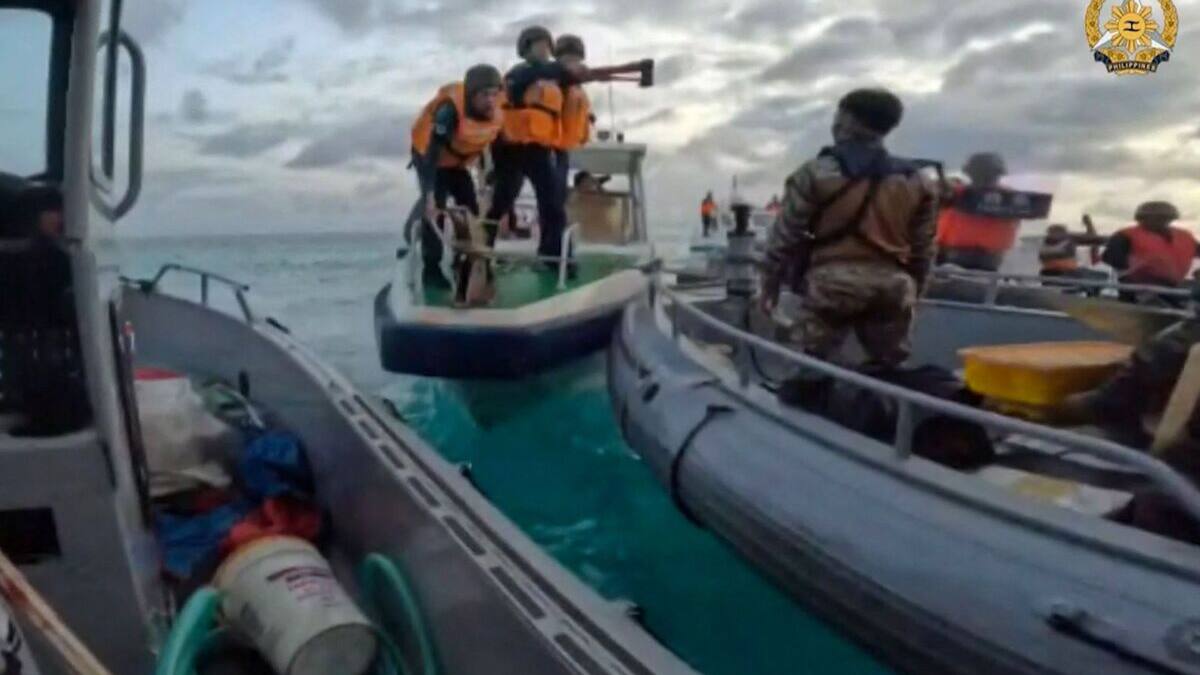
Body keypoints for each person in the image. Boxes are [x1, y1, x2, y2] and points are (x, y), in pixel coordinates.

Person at [760, 87, 937, 370]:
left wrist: (769, 289)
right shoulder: (918, 180)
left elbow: (785, 237)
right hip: (894, 288)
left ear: (848, 120)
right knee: (890, 369)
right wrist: (917, 291)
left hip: (831, 286)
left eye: (839, 116)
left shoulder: (816, 173)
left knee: (813, 367)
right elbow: (924, 249)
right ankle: (884, 412)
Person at [485, 26, 649, 262]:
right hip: (514, 147)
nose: (545, 49)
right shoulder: (521, 74)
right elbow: (534, 77)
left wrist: (586, 77)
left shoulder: (560, 80)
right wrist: (567, 70)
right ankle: (484, 240)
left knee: (553, 200)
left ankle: (553, 256)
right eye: (539, 44)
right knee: (505, 196)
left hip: (549, 147)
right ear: (526, 48)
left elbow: (568, 92)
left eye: (547, 45)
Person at [406, 64, 504, 265]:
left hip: (458, 164)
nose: (490, 101)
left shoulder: (496, 112)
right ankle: (431, 268)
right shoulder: (448, 112)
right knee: (436, 211)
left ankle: (465, 261)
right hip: (431, 160)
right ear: (471, 94)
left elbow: (487, 142)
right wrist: (430, 194)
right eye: (485, 95)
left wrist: (490, 174)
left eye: (494, 94)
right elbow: (431, 153)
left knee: (470, 209)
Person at [935, 152, 1020, 271]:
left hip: (981, 259)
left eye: (988, 174)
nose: (984, 178)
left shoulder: (1009, 198)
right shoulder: (955, 192)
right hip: (950, 255)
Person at [1102, 201, 1198, 297]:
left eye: (1164, 218)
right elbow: (1111, 257)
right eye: (1157, 218)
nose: (1161, 221)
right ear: (1141, 219)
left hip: (1174, 287)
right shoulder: (1125, 235)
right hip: (1138, 288)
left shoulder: (1184, 236)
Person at [551, 34, 594, 196]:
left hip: (564, 147)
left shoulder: (579, 89)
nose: (573, 63)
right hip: (549, 146)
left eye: (576, 59)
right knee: (554, 192)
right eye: (568, 58)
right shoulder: (550, 79)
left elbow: (583, 113)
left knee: (560, 192)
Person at [1038, 217, 1106, 279]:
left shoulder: (1044, 242)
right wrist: (1089, 223)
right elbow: (1094, 239)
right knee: (1102, 276)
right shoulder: (1068, 238)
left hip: (1046, 274)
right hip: (1067, 274)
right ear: (1064, 232)